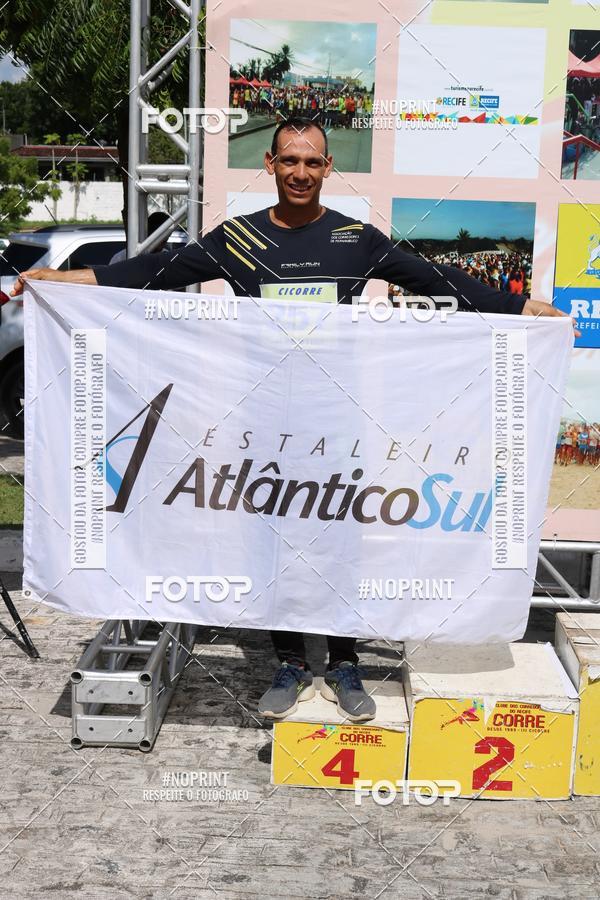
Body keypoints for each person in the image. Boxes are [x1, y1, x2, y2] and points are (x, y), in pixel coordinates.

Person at [12, 116, 576, 724]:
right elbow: (153, 272)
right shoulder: (239, 239)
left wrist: (518, 304)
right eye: (289, 161)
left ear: (327, 168)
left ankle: (344, 661)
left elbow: (437, 279)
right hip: (265, 419)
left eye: (312, 162)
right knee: (271, 538)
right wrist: (67, 280)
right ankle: (287, 662)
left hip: (339, 418)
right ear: (271, 165)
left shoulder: (355, 239)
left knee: (340, 536)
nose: (300, 173)